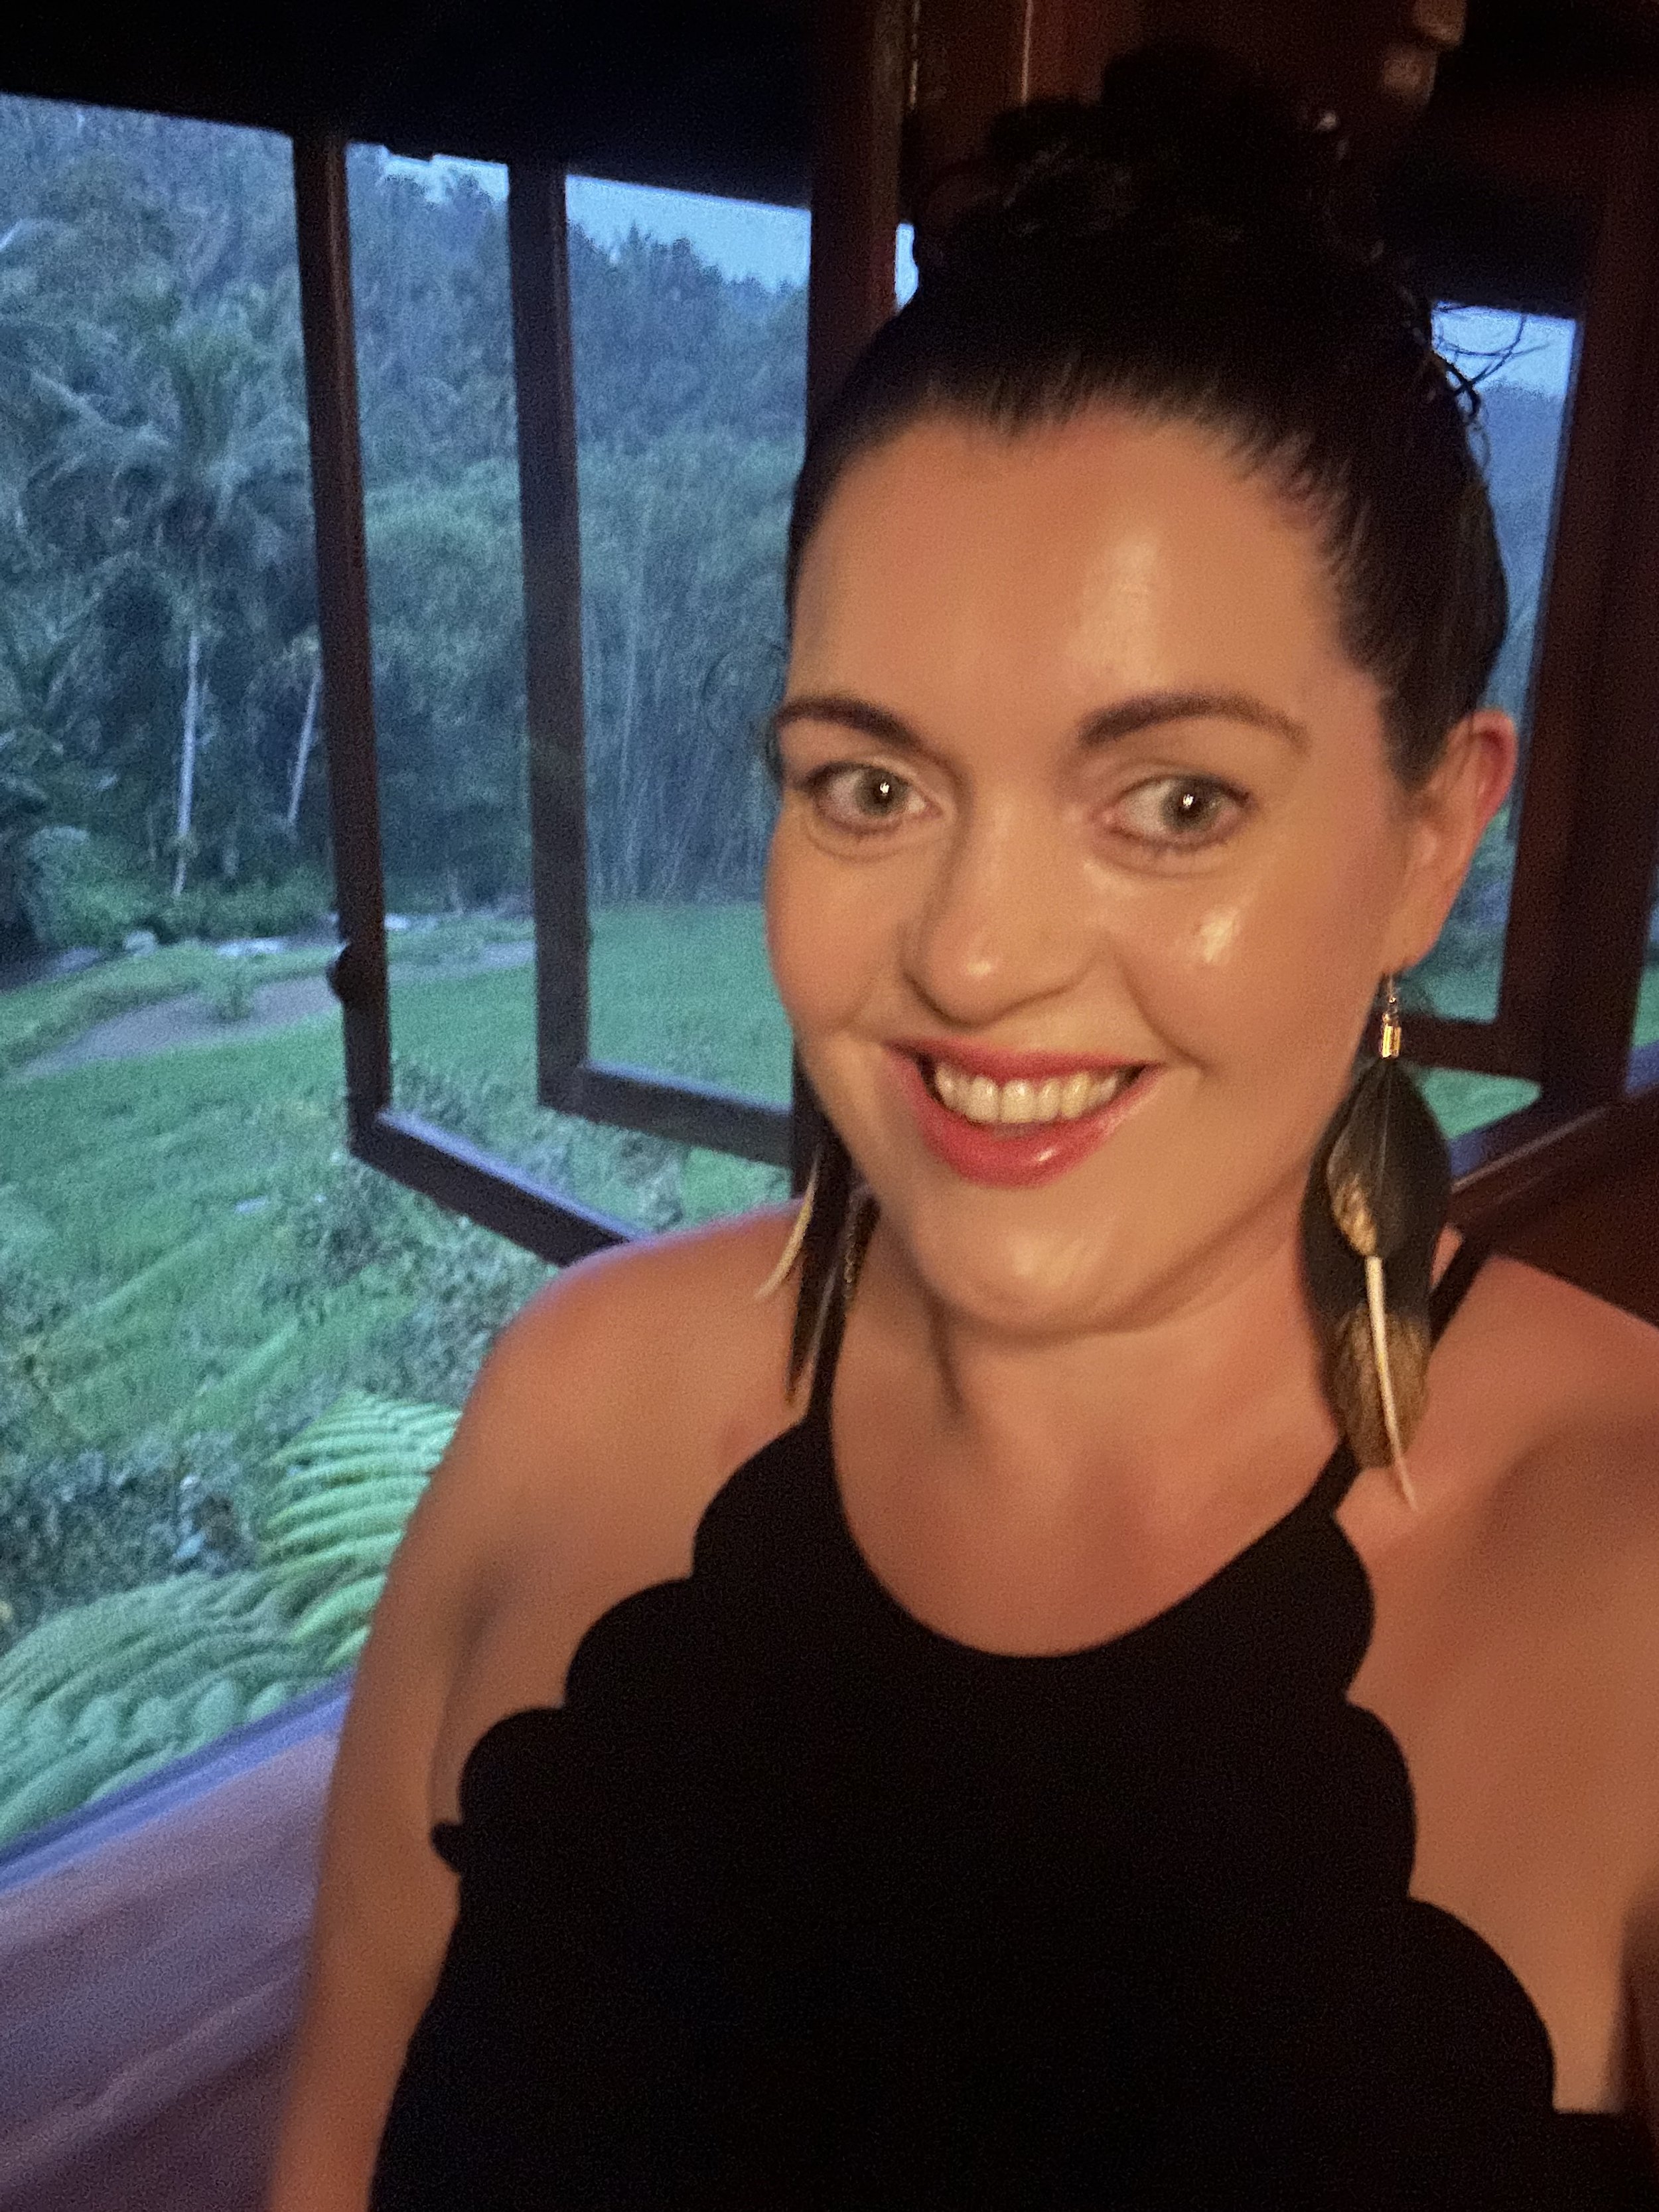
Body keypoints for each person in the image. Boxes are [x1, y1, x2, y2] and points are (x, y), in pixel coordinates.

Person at [269, 44, 1659, 2211]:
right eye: (872, 785)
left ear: (1427, 836)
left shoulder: (1628, 1571)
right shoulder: (574, 1412)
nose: (975, 957)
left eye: (1173, 800)